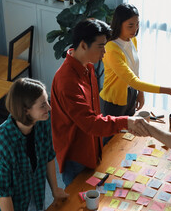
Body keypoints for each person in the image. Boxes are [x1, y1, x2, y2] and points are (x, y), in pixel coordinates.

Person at [51, 19, 148, 187]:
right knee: (78, 199)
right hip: (76, 153)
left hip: (91, 145)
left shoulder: (87, 66)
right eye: (100, 46)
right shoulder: (67, 81)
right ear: (83, 45)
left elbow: (94, 115)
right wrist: (127, 121)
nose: (104, 52)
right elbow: (90, 123)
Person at [100, 3, 171, 144]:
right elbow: (132, 80)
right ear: (119, 24)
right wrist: (169, 91)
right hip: (114, 101)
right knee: (111, 141)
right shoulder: (111, 49)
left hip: (130, 95)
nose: (135, 29)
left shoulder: (132, 40)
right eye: (130, 25)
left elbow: (134, 70)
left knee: (127, 138)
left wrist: (139, 93)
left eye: (137, 24)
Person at [0, 78, 68, 211]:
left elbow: (48, 156)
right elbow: (4, 195)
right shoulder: (1, 145)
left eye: (47, 100)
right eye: (42, 105)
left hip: (34, 196)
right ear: (26, 110)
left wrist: (55, 190)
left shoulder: (42, 121)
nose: (49, 107)